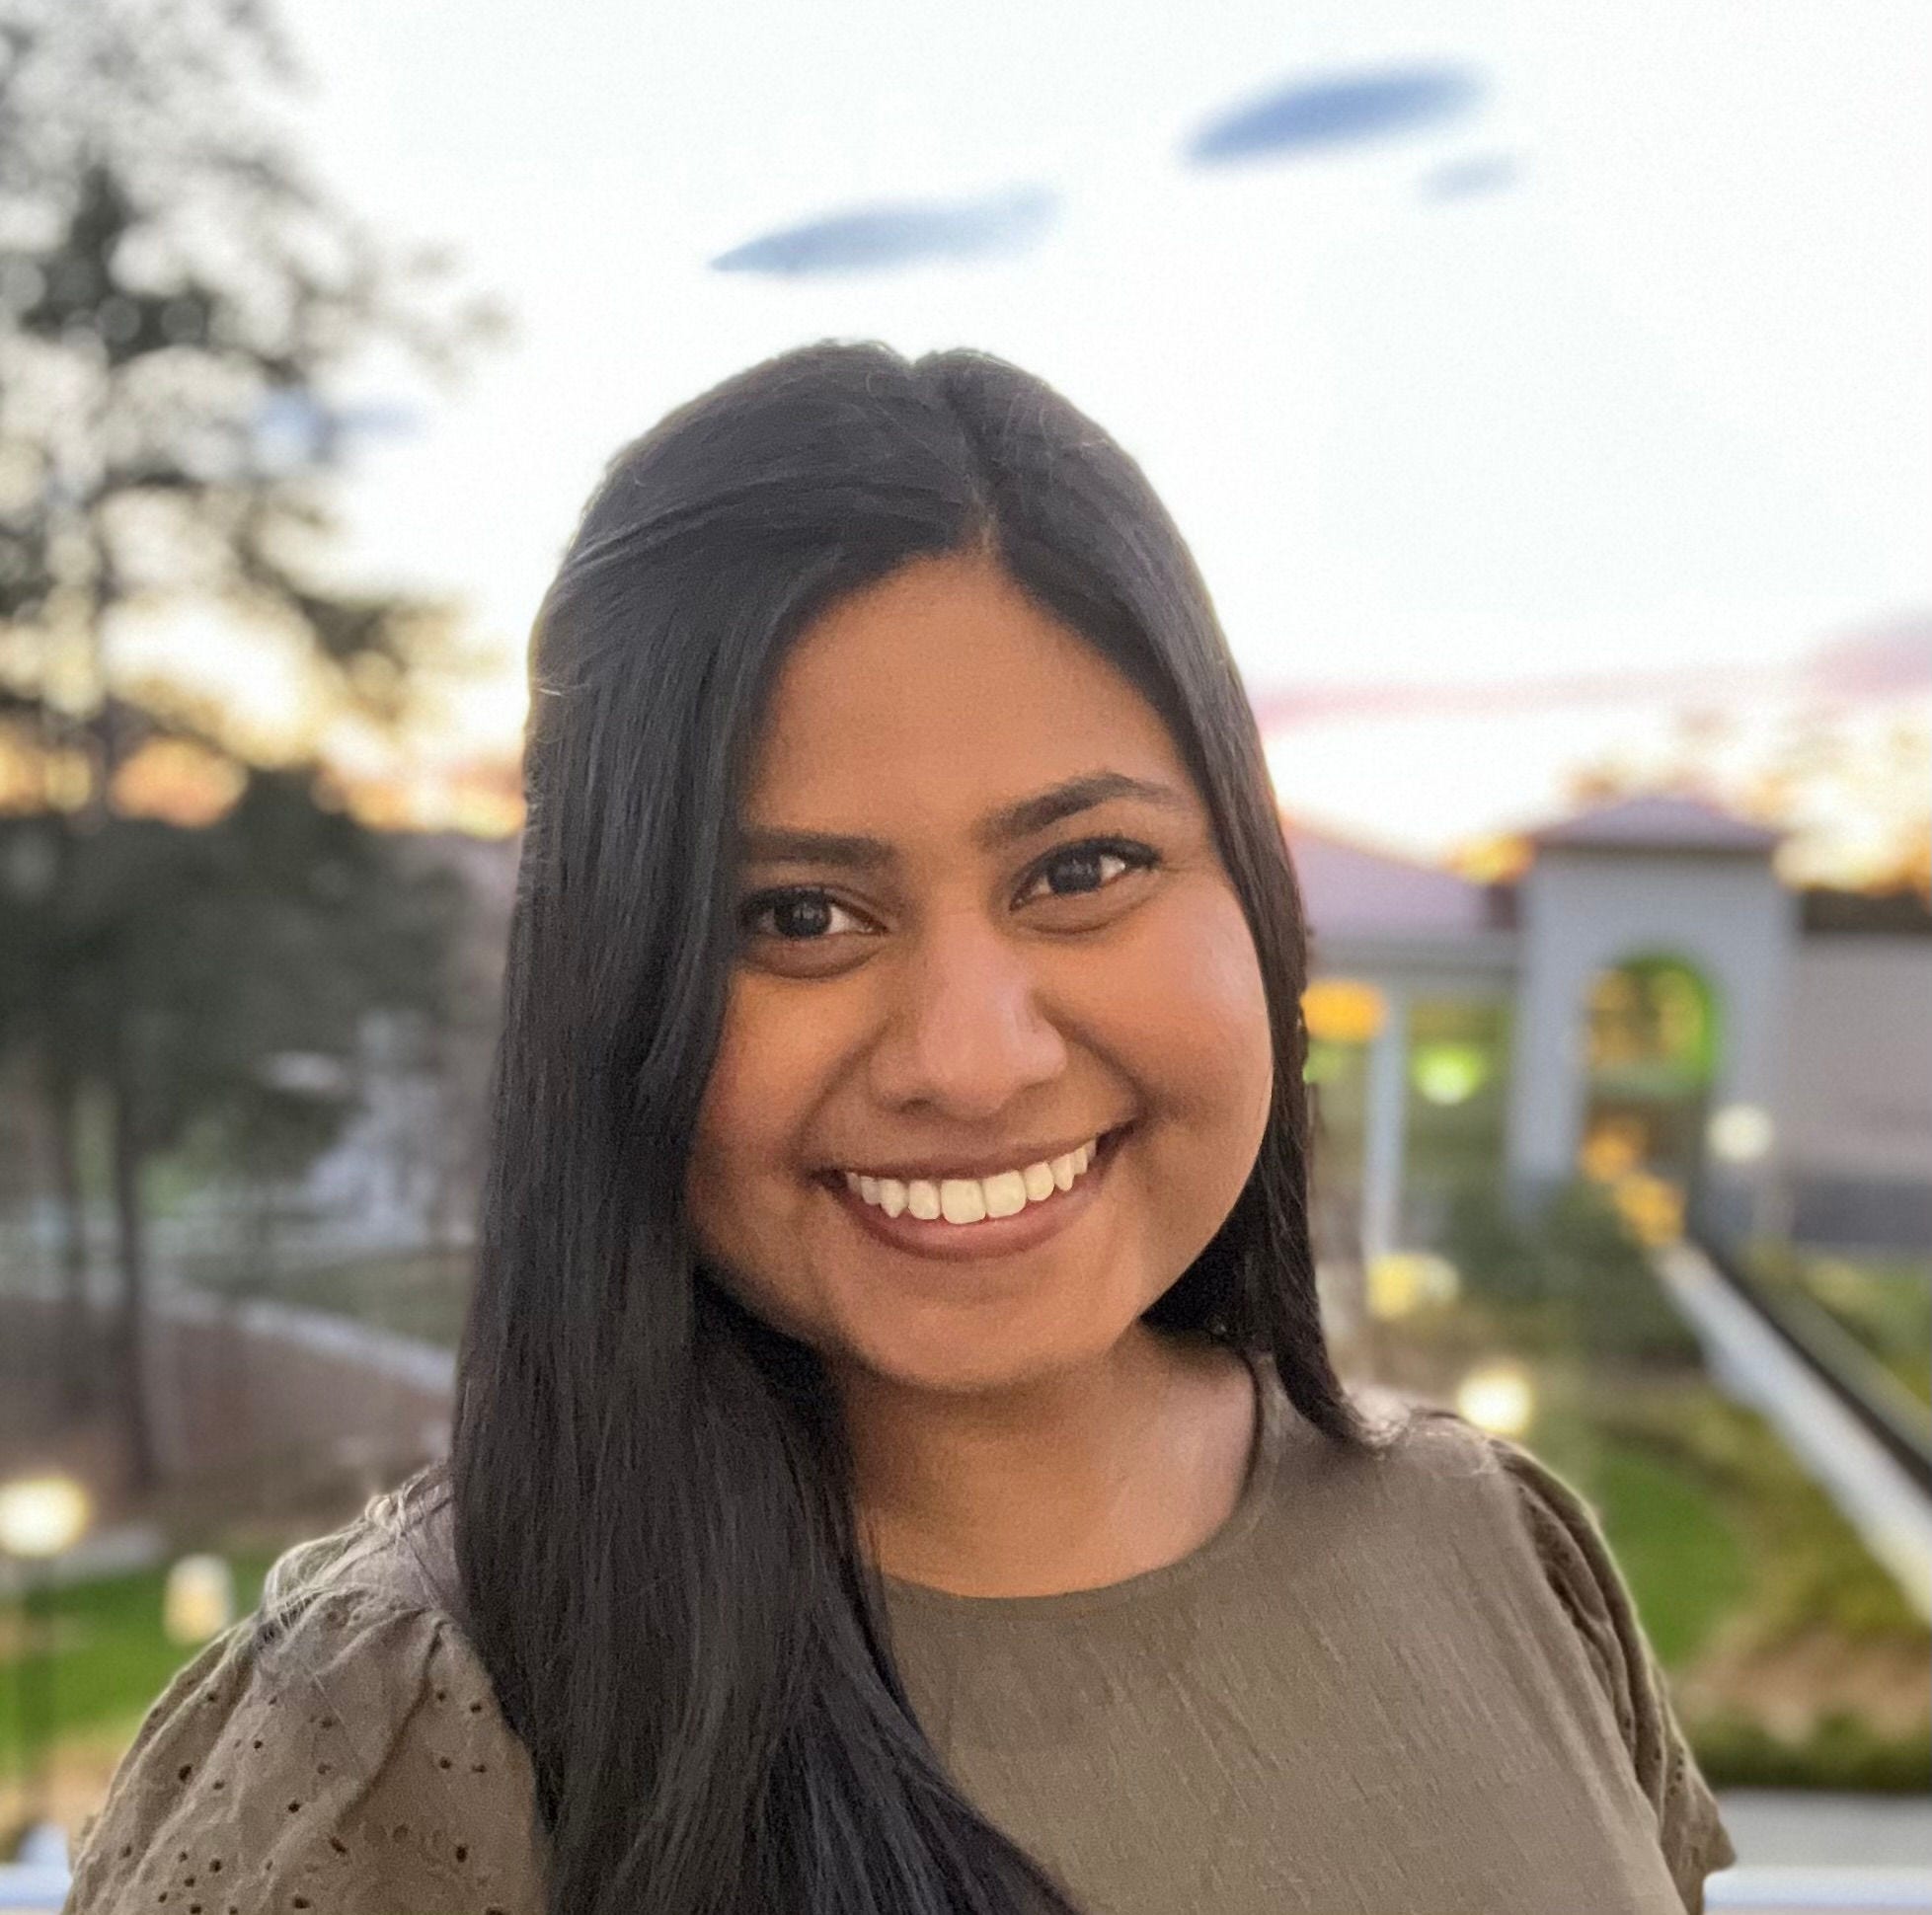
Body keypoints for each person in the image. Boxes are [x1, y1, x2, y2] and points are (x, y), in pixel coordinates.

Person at [64, 341, 1735, 1915]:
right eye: (796, 917)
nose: (972, 1059)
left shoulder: (1496, 1549)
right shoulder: (387, 1744)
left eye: (1082, 871)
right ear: (611, 993)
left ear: (1257, 901)